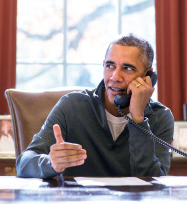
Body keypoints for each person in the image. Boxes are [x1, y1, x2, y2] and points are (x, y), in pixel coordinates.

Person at [16, 33, 175, 178]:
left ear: (147, 76)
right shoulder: (72, 106)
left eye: (127, 68)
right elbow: (24, 163)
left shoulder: (160, 117)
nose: (115, 77)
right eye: (110, 66)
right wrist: (50, 163)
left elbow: (152, 181)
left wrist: (138, 119)